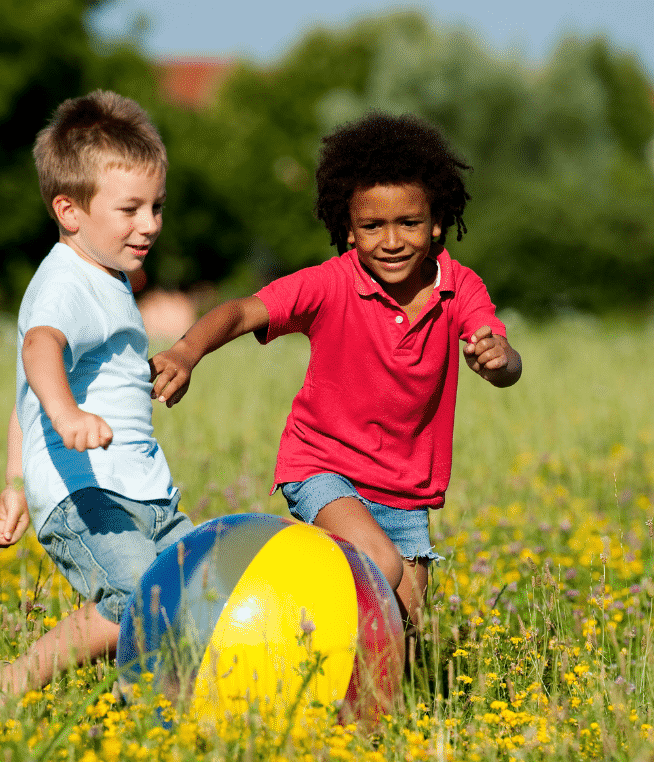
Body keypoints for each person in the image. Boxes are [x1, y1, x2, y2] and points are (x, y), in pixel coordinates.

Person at [150, 111, 522, 631]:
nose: (391, 240)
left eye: (408, 223)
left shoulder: (460, 288)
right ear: (349, 231)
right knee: (381, 568)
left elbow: (502, 357)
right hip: (323, 467)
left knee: (408, 620)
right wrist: (186, 352)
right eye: (372, 226)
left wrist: (499, 359)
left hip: (407, 489)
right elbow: (241, 311)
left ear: (436, 224)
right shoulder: (329, 284)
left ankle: (381, 709)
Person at [0, 90, 193, 719]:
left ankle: (150, 704)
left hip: (142, 488)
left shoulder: (106, 277)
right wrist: (68, 417)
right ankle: (11, 682)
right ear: (69, 210)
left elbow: (26, 391)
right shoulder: (66, 282)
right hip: (88, 492)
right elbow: (40, 352)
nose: (149, 223)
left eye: (155, 207)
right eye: (130, 209)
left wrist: (14, 481)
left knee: (192, 588)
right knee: (134, 599)